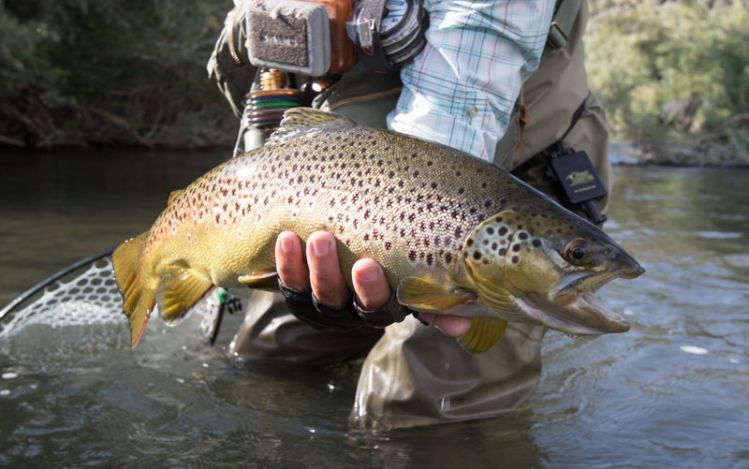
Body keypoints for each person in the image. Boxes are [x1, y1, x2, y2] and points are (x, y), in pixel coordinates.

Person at [208, 0, 611, 429]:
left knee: (413, 414)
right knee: (267, 361)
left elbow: (464, 80)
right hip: (320, 176)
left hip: (498, 174)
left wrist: (399, 243)